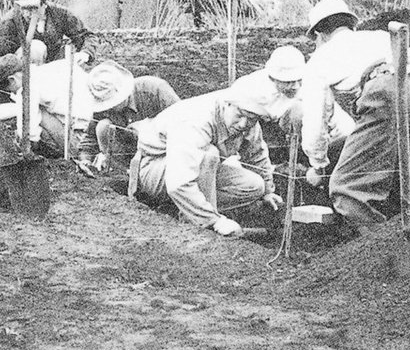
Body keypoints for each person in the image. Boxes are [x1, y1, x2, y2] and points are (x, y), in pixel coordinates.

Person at [300, 0, 410, 227]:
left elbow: (315, 121)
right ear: (351, 25)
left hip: (390, 91)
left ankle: (379, 250)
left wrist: (319, 164)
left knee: (347, 189)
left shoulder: (320, 59)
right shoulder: (378, 36)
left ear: (319, 35)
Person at [129, 57, 302, 237]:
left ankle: (186, 207)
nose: (244, 123)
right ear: (228, 104)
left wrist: (268, 191)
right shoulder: (195, 121)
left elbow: (257, 154)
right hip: (154, 170)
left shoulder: (249, 121)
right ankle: (199, 222)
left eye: (251, 119)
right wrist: (215, 221)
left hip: (197, 172)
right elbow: (178, 182)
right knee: (208, 155)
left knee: (254, 185)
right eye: (240, 115)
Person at [0, 0, 91, 87]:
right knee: (35, 48)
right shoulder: (10, 21)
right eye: (24, 9)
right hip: (21, 74)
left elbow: (87, 36)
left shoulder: (60, 14)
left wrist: (86, 53)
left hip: (52, 69)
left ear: (44, 5)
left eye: (33, 8)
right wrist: (8, 64)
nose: (27, 13)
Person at [77, 61, 179, 175]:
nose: (110, 108)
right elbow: (89, 139)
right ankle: (120, 174)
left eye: (113, 102)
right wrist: (85, 161)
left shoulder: (155, 90)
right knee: (103, 126)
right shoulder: (103, 105)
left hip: (160, 153)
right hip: (127, 158)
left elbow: (184, 126)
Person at [16, 55, 95, 159]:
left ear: (12, 79)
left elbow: (30, 134)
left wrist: (26, 144)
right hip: (89, 131)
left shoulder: (29, 87)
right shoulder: (54, 66)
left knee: (36, 116)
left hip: (78, 142)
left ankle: (68, 156)